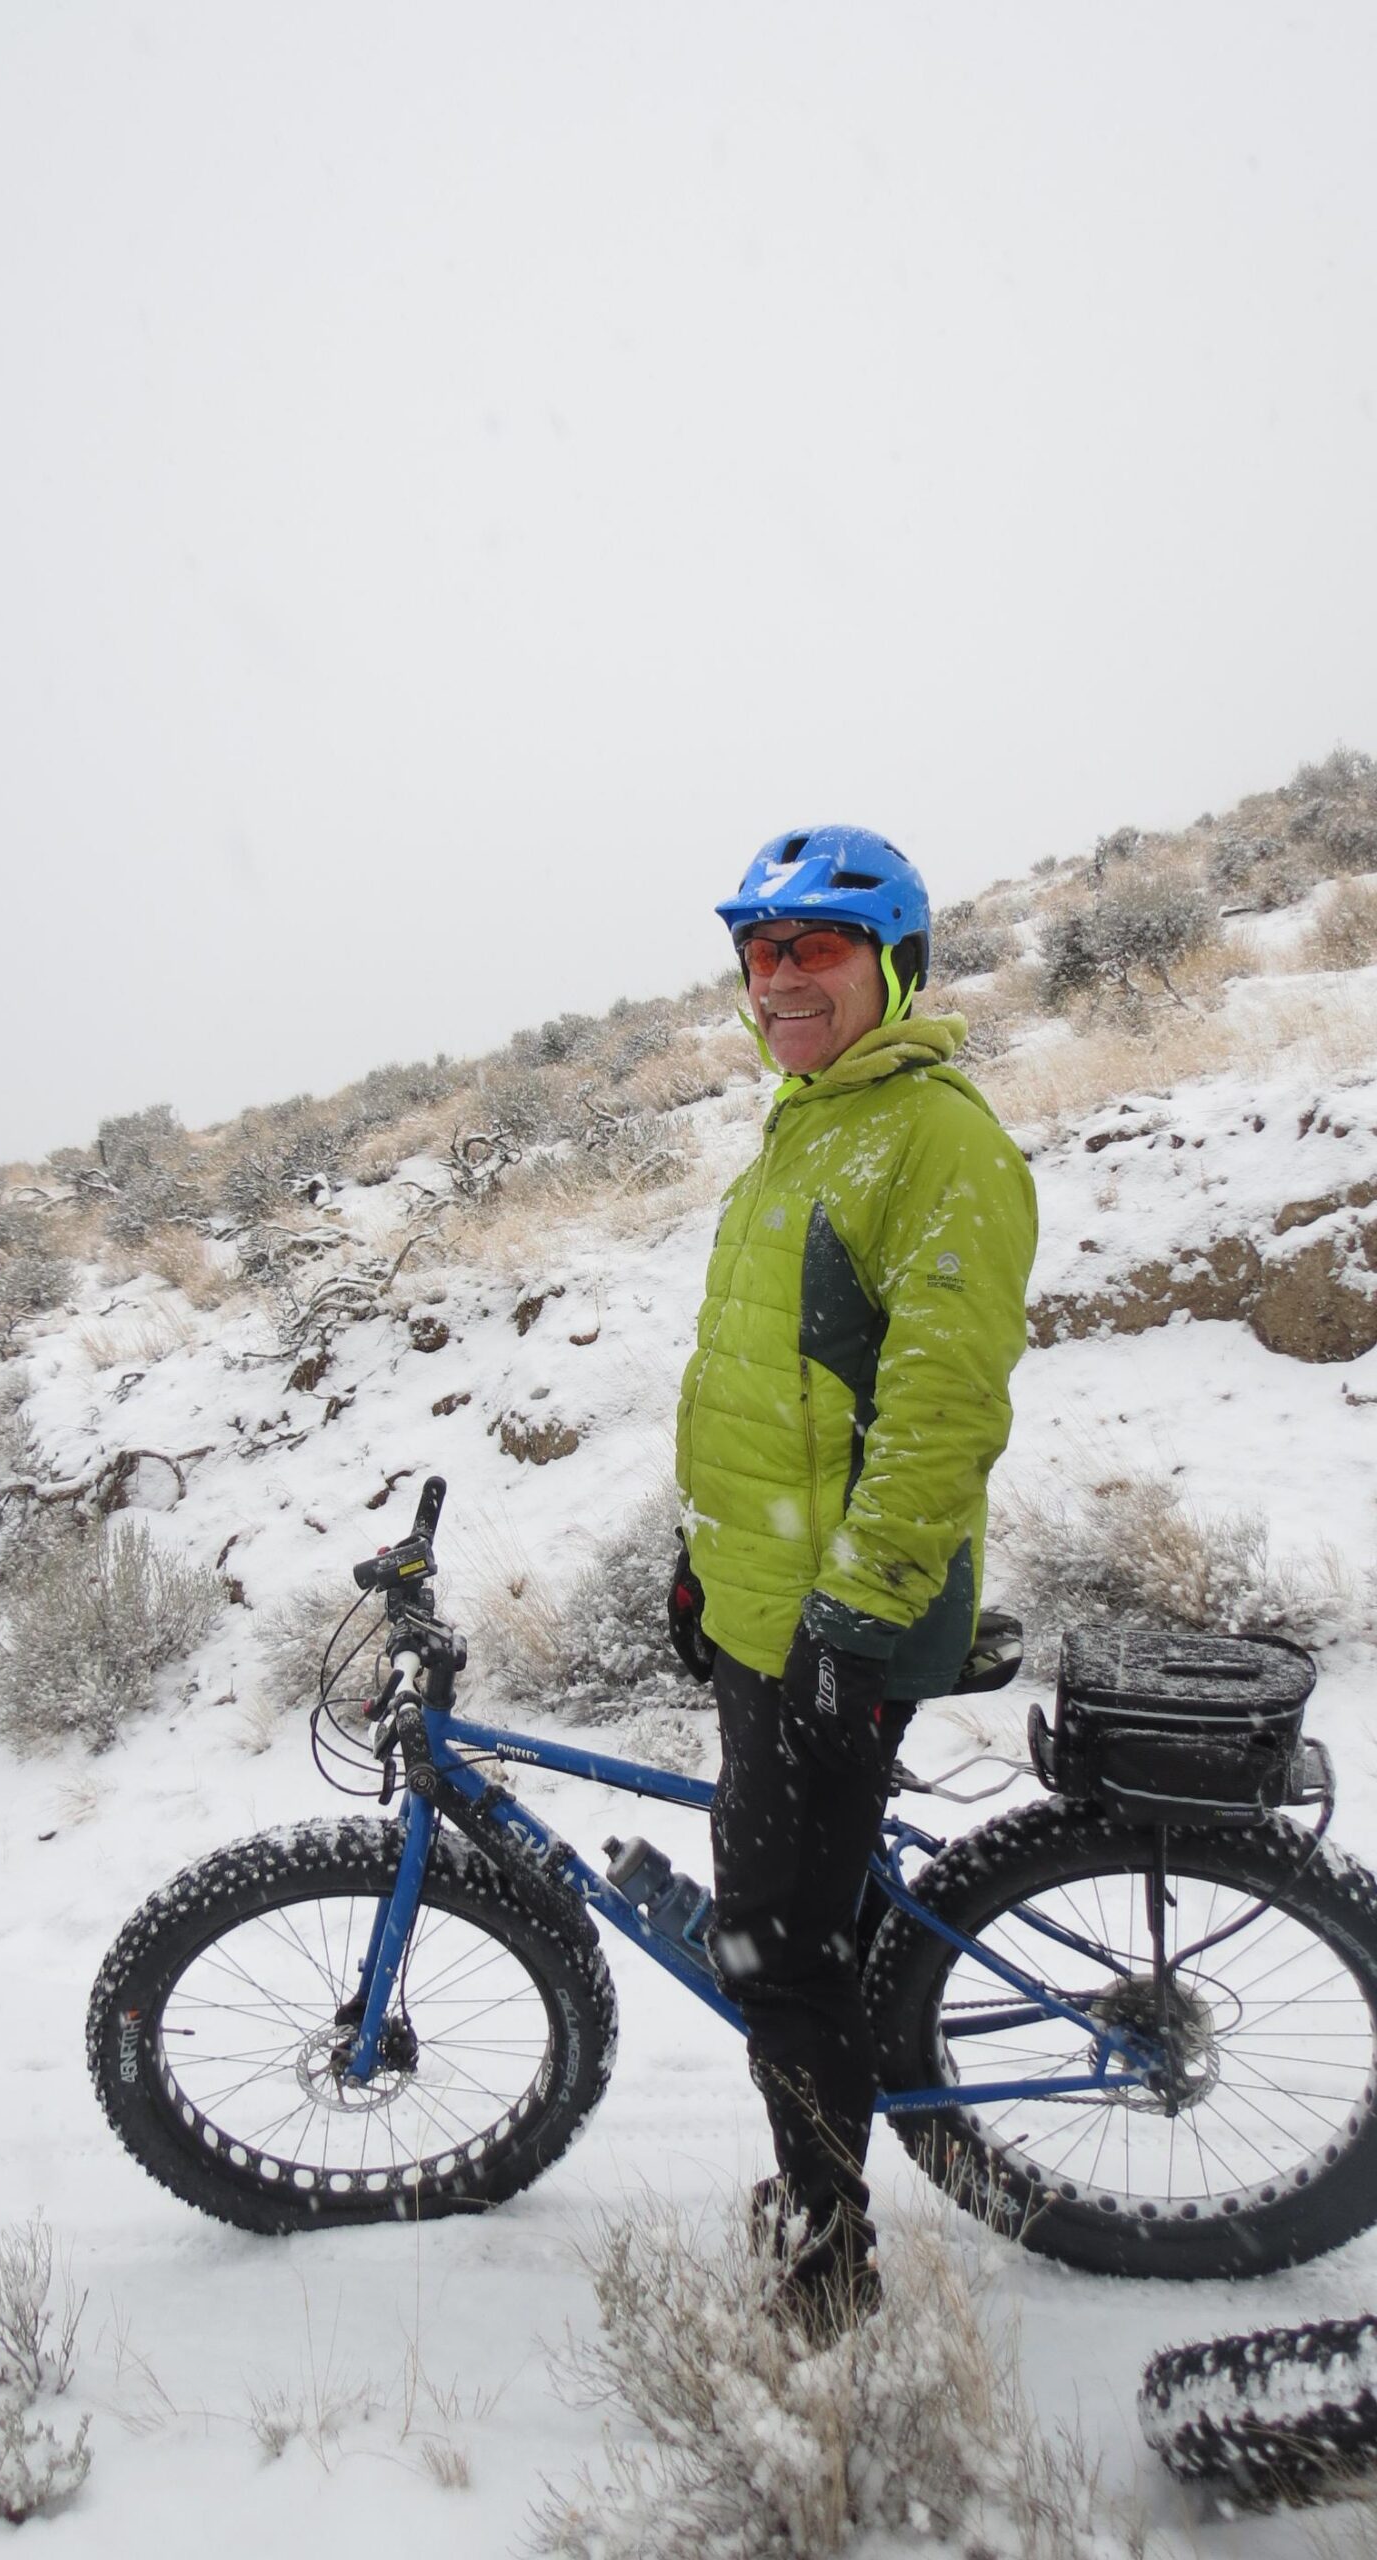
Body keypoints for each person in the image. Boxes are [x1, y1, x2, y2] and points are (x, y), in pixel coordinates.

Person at [669, 824, 1038, 2334]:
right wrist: (704, 1567)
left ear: (894, 964)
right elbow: (772, 1385)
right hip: (772, 1604)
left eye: (815, 948)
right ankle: (851, 2054)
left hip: (849, 1618)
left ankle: (828, 2258)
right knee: (796, 1908)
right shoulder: (805, 1123)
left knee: (775, 1946)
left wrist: (852, 1621)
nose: (779, 982)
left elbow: (942, 1411)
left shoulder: (939, 1140)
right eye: (760, 955)